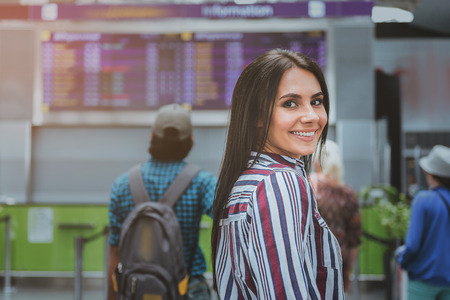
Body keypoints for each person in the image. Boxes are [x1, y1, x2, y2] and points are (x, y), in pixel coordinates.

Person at [211, 49, 344, 299]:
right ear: (257, 116)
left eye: (316, 101)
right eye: (290, 103)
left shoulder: (247, 181)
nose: (312, 116)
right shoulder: (278, 182)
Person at [107, 104, 217, 300]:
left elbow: (115, 252)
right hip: (188, 287)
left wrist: (112, 296)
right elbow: (227, 221)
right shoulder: (203, 182)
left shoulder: (122, 184)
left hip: (135, 289)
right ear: (190, 141)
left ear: (152, 138)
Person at [396, 144, 450, 300]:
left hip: (423, 279)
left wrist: (402, 260)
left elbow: (412, 245)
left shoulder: (423, 199)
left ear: (430, 173)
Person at [310, 139, 361, 293]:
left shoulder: (310, 185)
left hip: (311, 264)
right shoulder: (349, 194)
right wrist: (348, 273)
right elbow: (353, 241)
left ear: (317, 162)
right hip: (338, 264)